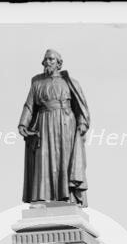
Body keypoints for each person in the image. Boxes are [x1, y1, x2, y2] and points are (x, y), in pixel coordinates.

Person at [18, 49, 90, 206]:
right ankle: (43, 198)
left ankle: (67, 197)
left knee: (65, 160)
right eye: (46, 59)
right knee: (43, 158)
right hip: (44, 123)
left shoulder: (69, 82)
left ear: (59, 63)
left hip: (66, 125)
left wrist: (82, 123)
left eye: (51, 59)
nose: (48, 62)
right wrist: (23, 123)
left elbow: (81, 108)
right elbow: (29, 106)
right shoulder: (37, 83)